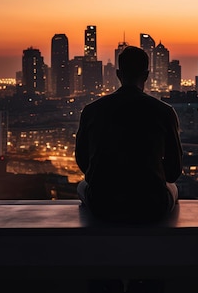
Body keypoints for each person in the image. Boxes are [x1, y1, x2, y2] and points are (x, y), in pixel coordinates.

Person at [75, 45, 183, 224]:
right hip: (151, 205)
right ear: (146, 75)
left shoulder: (92, 110)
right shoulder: (164, 111)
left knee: (82, 186)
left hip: (103, 205)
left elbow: (83, 161)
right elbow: (173, 172)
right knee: (172, 187)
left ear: (118, 74)